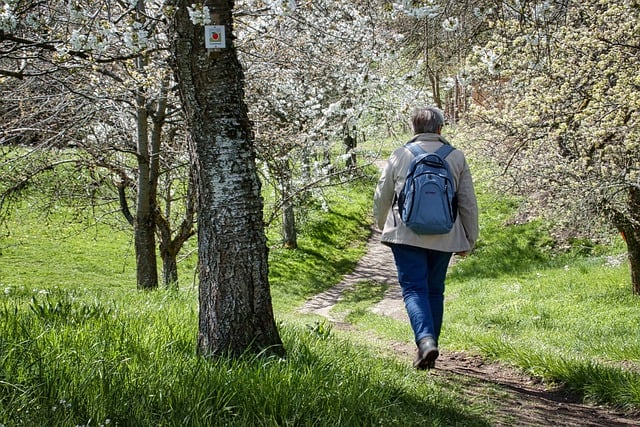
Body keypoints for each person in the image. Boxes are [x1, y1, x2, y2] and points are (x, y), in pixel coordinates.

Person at [373, 107, 479, 370]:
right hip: (445, 235)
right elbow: (467, 202)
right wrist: (470, 238)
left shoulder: (400, 155)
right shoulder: (456, 157)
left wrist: (381, 224)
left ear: (414, 129)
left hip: (405, 234)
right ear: (440, 129)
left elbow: (382, 195)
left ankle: (425, 341)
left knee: (413, 289)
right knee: (435, 290)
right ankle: (429, 348)